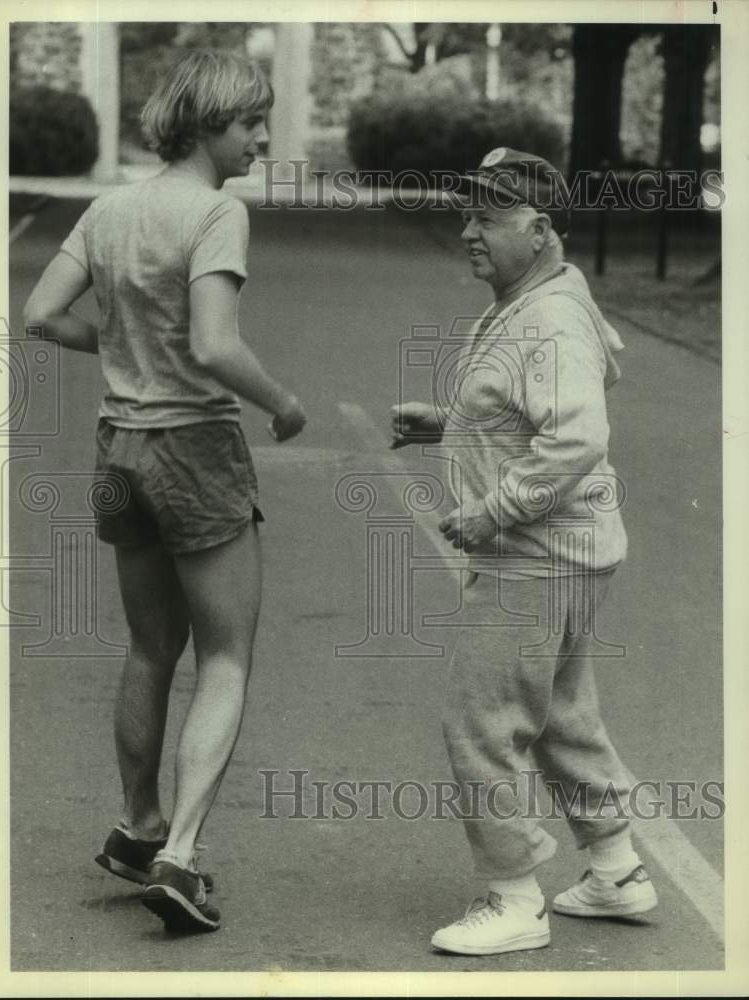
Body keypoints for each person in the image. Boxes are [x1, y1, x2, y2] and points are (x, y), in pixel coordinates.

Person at [23, 50, 307, 934]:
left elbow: (40, 313)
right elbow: (217, 347)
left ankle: (138, 825)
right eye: (250, 122)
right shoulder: (216, 212)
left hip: (118, 450)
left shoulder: (108, 211)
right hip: (193, 446)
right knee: (224, 659)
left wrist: (117, 347)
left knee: (150, 647)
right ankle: (181, 858)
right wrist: (282, 403)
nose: (263, 137)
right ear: (207, 125)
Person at [391, 148, 657, 956]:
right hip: (571, 551)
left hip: (534, 553)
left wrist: (491, 510)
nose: (468, 230)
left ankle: (511, 900)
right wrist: (453, 424)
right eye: (467, 213)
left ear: (539, 229)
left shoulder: (544, 317)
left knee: (480, 724)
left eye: (489, 217)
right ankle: (615, 871)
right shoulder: (537, 298)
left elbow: (576, 434)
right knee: (562, 717)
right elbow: (534, 411)